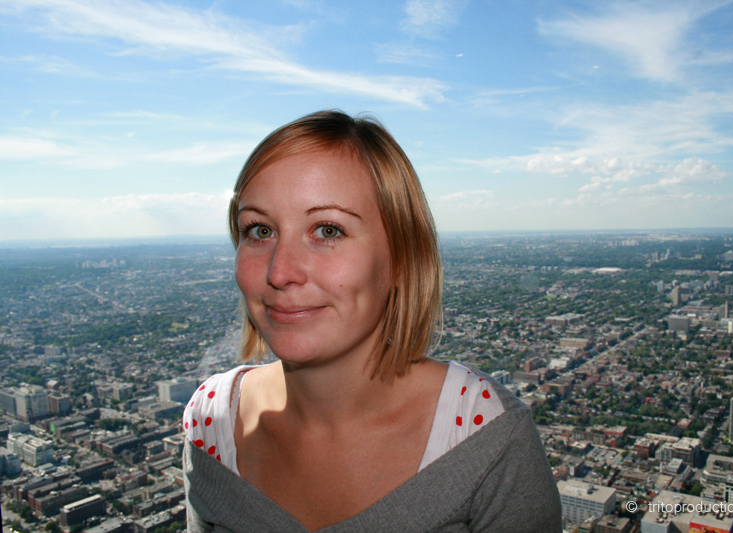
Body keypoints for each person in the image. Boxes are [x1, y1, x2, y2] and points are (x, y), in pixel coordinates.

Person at [182, 110, 561, 532]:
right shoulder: (211, 422)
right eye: (259, 230)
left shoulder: (486, 437)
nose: (280, 271)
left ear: (401, 259)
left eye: (328, 230)